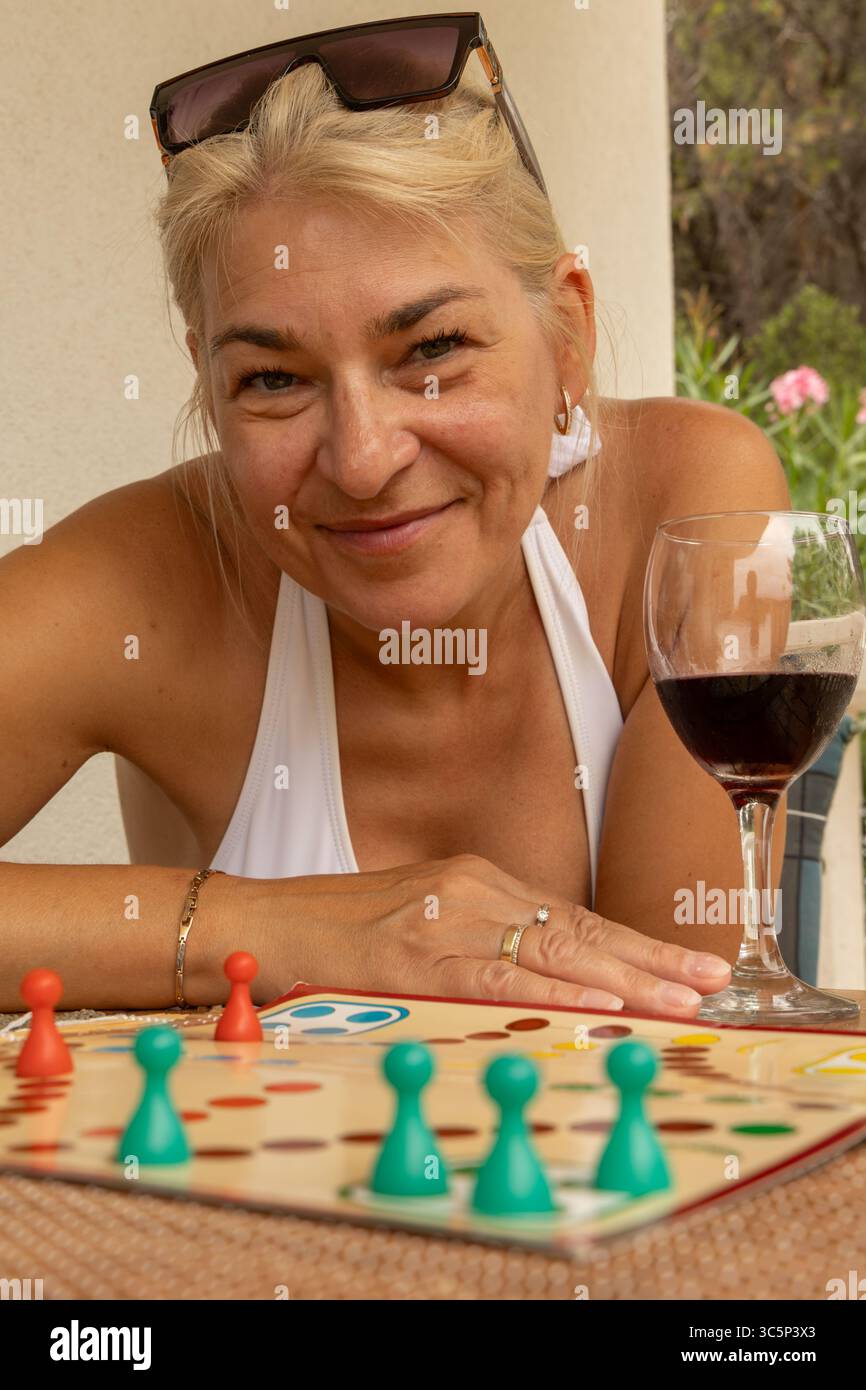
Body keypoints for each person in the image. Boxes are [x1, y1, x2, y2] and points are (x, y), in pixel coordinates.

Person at [0, 19, 789, 1014]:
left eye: (432, 349)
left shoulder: (682, 505)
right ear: (208, 388)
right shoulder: (147, 581)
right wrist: (266, 930)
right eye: (274, 378)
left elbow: (675, 1033)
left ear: (568, 338)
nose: (364, 460)